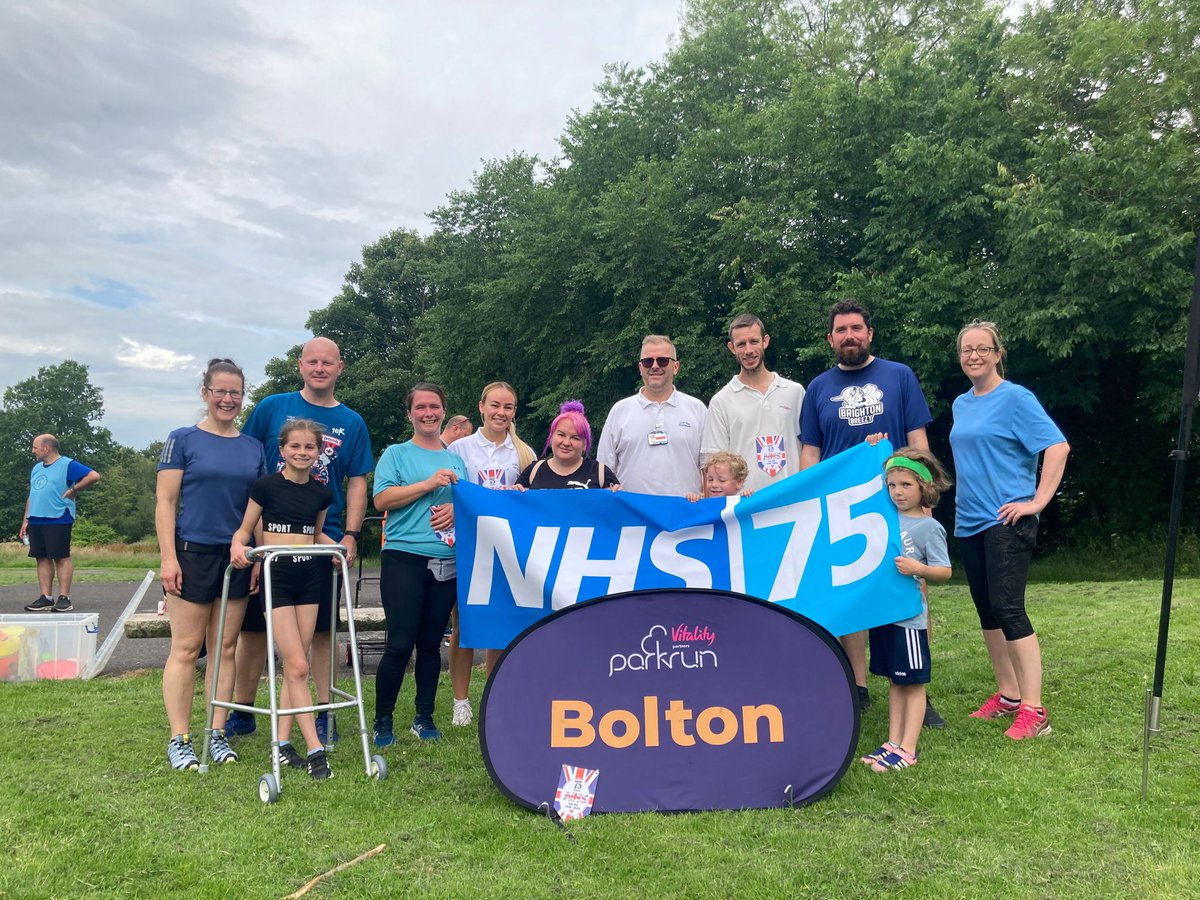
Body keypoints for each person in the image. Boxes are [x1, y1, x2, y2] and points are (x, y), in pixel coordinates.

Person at [226, 337, 373, 745]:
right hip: (267, 541)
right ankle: (242, 710)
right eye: (313, 361)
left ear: (340, 368)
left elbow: (358, 482)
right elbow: (250, 466)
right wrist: (251, 543)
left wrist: (350, 535)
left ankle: (322, 712)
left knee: (323, 632)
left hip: (321, 544)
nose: (320, 368)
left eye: (328, 362)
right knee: (255, 631)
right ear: (301, 365)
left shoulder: (353, 421)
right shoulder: (272, 406)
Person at [798, 298, 935, 719]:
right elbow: (810, 455)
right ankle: (856, 687)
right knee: (850, 593)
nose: (850, 336)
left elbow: (918, 443)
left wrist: (924, 502)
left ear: (869, 333)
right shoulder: (818, 388)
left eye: (856, 328)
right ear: (830, 339)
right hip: (842, 510)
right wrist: (812, 503)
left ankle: (915, 686)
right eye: (841, 330)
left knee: (910, 591)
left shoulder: (899, 376)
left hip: (897, 503)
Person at [951, 320, 1070, 740]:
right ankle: (1008, 696)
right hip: (969, 521)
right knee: (988, 612)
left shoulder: (1016, 398)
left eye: (983, 349)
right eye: (967, 350)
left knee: (1009, 609)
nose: (974, 356)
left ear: (998, 354)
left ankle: (1036, 711)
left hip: (1006, 521)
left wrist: (1036, 502)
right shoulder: (961, 404)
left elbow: (1057, 447)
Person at [156, 359, 265, 771]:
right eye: (219, 391)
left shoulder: (253, 447)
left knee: (225, 649)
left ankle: (216, 733)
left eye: (235, 392)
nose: (227, 399)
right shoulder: (182, 439)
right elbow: (165, 501)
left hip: (237, 558)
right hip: (191, 553)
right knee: (186, 648)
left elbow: (256, 509)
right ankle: (179, 737)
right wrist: (169, 557)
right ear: (205, 393)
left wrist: (254, 554)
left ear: (242, 397)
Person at [231, 420, 335, 781]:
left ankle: (281, 743)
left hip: (309, 578)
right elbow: (245, 530)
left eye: (309, 447)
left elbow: (317, 532)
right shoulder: (265, 487)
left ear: (318, 452)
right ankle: (315, 749)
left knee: (297, 667)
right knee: (298, 665)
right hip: (277, 577)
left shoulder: (322, 493)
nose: (302, 453)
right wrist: (239, 547)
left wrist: (335, 549)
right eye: (295, 447)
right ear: (282, 450)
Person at [372, 383, 469, 745]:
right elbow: (382, 499)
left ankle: (423, 717)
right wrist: (428, 484)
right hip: (404, 556)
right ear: (410, 413)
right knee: (399, 643)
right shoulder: (396, 454)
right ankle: (383, 720)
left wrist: (456, 509)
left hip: (447, 560)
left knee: (431, 644)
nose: (429, 413)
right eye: (421, 407)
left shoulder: (457, 459)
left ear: (444, 410)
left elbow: (470, 506)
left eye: (435, 407)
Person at [445, 381, 536, 726]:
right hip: (468, 544)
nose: (501, 412)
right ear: (481, 406)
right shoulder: (460, 448)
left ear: (515, 411)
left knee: (500, 621)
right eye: (495, 405)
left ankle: (493, 698)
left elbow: (532, 499)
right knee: (463, 622)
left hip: (506, 547)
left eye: (508, 407)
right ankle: (460, 701)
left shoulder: (524, 452)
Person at [859, 447, 952, 772]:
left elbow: (944, 571)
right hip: (884, 616)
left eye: (905, 485)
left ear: (923, 487)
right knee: (895, 682)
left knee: (913, 684)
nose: (897, 492)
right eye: (892, 485)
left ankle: (908, 749)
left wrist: (918, 568)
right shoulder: (883, 519)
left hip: (909, 619)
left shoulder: (929, 527)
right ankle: (892, 742)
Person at [700, 314, 805, 492]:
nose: (749, 350)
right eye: (741, 344)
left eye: (754, 341)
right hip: (747, 509)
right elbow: (713, 465)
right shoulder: (721, 401)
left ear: (765, 341)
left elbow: (811, 450)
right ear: (731, 348)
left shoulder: (795, 392)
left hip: (793, 503)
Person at [596, 334, 707, 496]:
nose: (655, 366)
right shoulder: (620, 411)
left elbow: (710, 469)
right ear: (640, 368)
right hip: (634, 516)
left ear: (676, 367)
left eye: (662, 360)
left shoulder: (697, 409)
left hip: (685, 516)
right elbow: (604, 471)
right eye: (648, 361)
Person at [21, 434, 100, 612]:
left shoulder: (67, 464)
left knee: (61, 557)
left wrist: (74, 489)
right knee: (41, 557)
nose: (33, 450)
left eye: (35, 447)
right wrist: (26, 519)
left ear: (46, 448)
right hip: (36, 517)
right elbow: (33, 494)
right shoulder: (36, 468)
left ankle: (64, 598)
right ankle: (46, 597)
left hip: (58, 516)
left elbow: (94, 475)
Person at [516, 401, 621, 491]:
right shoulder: (533, 472)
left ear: (585, 444)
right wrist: (514, 494)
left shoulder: (600, 473)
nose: (566, 443)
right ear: (551, 437)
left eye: (575, 438)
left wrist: (618, 495)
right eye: (561, 435)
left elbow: (617, 511)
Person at [686, 451, 753, 501]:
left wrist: (750, 497)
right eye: (710, 480)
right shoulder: (702, 503)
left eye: (722, 480)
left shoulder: (743, 503)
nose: (714, 485)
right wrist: (692, 500)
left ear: (739, 482)